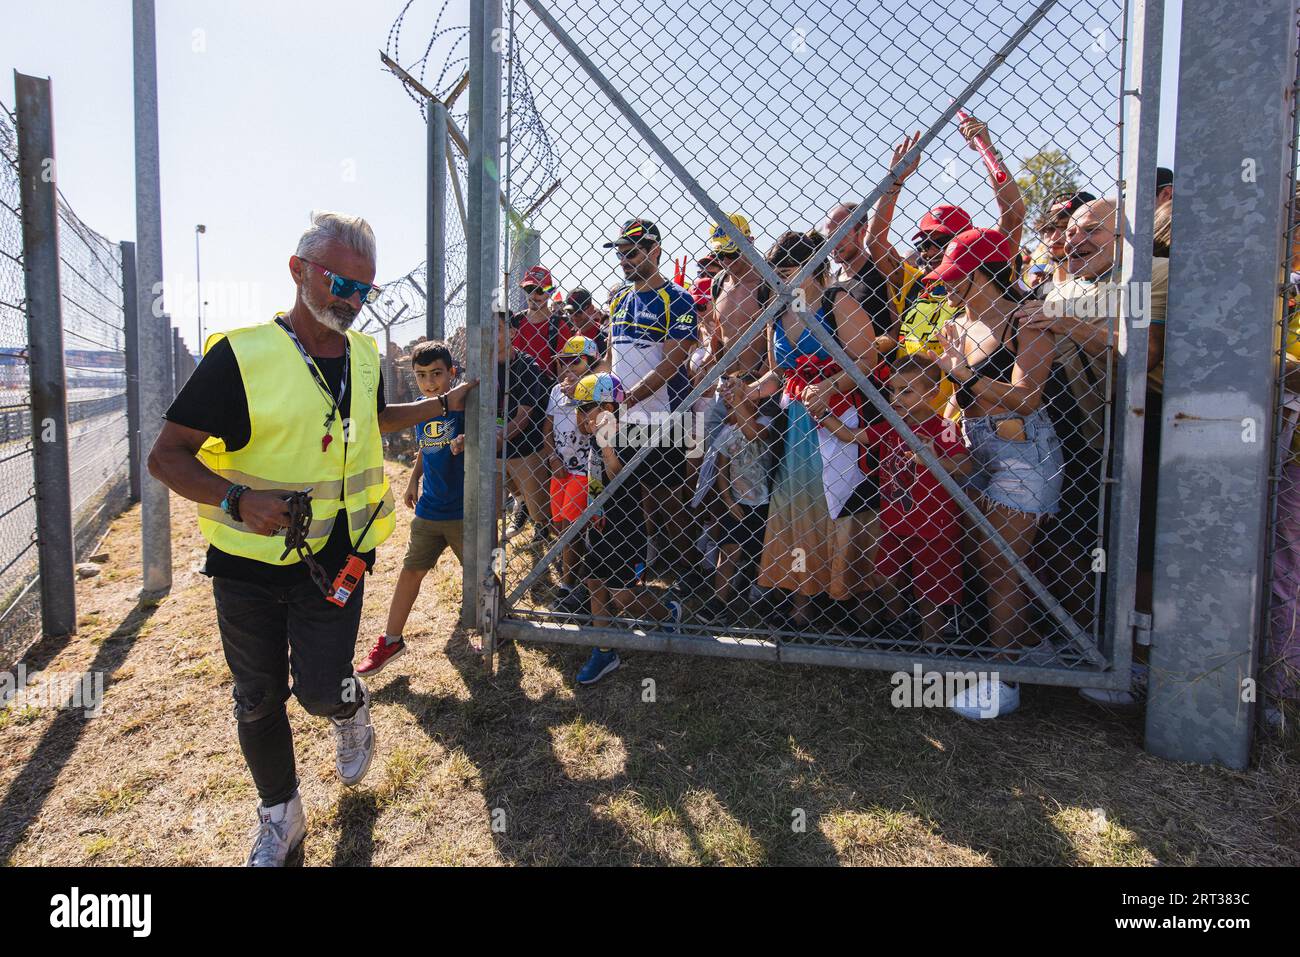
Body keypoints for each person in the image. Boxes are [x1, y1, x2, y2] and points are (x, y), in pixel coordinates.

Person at [147, 212, 475, 866]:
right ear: (298, 271)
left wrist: (443, 404)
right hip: (244, 568)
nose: (350, 301)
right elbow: (167, 456)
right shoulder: (240, 356)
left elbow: (375, 419)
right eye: (338, 282)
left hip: (339, 559)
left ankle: (350, 708)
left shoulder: (361, 353)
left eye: (364, 290)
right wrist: (239, 499)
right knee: (258, 697)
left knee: (322, 688)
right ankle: (281, 814)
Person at [922, 227, 1065, 719]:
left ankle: (1004, 680)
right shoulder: (957, 323)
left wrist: (962, 373)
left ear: (983, 273)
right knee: (985, 561)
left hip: (1024, 452)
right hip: (977, 445)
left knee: (1004, 564)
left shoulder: (1023, 320)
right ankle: (1034, 648)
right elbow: (962, 396)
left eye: (957, 276)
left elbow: (1028, 398)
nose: (947, 285)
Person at [1030, 197, 1167, 690]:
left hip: (1141, 426)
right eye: (1070, 231)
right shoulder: (1063, 289)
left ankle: (1141, 658)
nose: (1073, 239)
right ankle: (1087, 637)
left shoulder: (1152, 274)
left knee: (1141, 541)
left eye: (1089, 230)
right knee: (1072, 536)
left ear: (1124, 235)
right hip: (1073, 431)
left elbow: (1145, 353)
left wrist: (1068, 324)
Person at [745, 230, 879, 629]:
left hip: (840, 418)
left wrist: (830, 386)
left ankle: (852, 599)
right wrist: (747, 390)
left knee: (841, 507)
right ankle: (802, 596)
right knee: (795, 508)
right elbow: (778, 372)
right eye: (775, 273)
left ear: (815, 267)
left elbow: (866, 359)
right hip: (797, 425)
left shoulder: (839, 301)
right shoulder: (777, 310)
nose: (781, 281)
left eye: (788, 271)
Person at [821, 355, 970, 644]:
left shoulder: (944, 428)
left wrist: (934, 460)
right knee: (883, 578)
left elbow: (965, 466)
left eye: (906, 391)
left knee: (931, 593)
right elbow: (853, 436)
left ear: (931, 394)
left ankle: (932, 647)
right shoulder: (892, 426)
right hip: (895, 526)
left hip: (934, 529)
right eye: (892, 390)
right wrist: (820, 413)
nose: (896, 397)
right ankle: (899, 620)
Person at [867, 116, 1027, 364]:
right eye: (923, 244)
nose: (928, 251)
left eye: (940, 242)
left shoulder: (988, 278)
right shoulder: (914, 284)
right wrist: (894, 180)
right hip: (907, 400)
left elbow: (1013, 216)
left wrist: (988, 151)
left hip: (964, 397)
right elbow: (875, 241)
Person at [357, 340, 469, 676]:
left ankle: (494, 624)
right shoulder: (423, 406)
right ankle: (391, 640)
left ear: (452, 372)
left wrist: (469, 441)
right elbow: (425, 446)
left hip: (465, 511)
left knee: (481, 573)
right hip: (430, 509)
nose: (430, 382)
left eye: (437, 374)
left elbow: (492, 435)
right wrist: (412, 481)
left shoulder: (466, 406)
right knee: (410, 570)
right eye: (422, 376)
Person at [602, 218, 701, 590]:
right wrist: (600, 394)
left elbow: (673, 361)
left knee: (671, 498)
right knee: (629, 496)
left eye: (632, 253)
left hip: (665, 416)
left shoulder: (678, 298)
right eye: (621, 254)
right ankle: (638, 567)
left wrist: (625, 398)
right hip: (623, 415)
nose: (624, 261)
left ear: (654, 251)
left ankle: (688, 569)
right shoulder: (619, 299)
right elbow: (612, 358)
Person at [573, 373, 683, 685]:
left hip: (625, 528)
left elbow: (619, 474)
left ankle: (667, 612)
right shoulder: (595, 435)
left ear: (608, 407)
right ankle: (604, 650)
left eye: (585, 408)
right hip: (599, 525)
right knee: (595, 584)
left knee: (623, 597)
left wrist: (607, 445)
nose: (580, 416)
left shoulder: (631, 436)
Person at [701, 372, 773, 621]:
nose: (734, 402)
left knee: (764, 551)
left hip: (765, 503)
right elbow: (722, 467)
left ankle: (762, 592)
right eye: (731, 398)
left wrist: (741, 400)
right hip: (738, 503)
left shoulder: (766, 421)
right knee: (729, 550)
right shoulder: (727, 430)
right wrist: (729, 500)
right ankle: (719, 602)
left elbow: (754, 435)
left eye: (743, 396)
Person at [542, 335, 599, 614]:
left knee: (571, 528)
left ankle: (568, 586)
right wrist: (552, 457)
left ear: (592, 364)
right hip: (560, 468)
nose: (567, 367)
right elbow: (547, 429)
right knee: (558, 524)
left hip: (585, 470)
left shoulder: (597, 390)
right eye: (563, 361)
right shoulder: (555, 391)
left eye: (575, 362)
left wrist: (578, 395)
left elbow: (591, 428)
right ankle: (578, 575)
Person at [496, 312, 552, 544]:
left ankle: (541, 527)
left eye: (497, 328)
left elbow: (523, 418)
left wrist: (493, 439)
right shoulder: (481, 365)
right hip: (497, 446)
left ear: (513, 333)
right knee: (509, 496)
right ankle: (521, 505)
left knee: (541, 510)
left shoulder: (528, 366)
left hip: (526, 446)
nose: (490, 335)